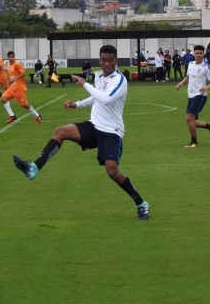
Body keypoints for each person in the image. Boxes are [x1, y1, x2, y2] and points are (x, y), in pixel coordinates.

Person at [13, 45, 150, 221]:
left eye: (110, 60)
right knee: (60, 131)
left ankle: (141, 204)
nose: (106, 63)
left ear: (116, 61)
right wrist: (77, 104)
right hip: (94, 126)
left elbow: (106, 99)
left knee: (112, 171)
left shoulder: (120, 80)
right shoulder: (100, 76)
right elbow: (96, 97)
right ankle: (34, 168)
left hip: (111, 132)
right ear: (99, 60)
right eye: (103, 60)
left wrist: (85, 84)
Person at [175, 44, 210, 148]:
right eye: (197, 53)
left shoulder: (206, 67)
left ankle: (194, 142)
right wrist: (181, 83)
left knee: (189, 118)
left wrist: (206, 88)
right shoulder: (190, 64)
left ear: (203, 54)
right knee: (191, 120)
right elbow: (188, 77)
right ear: (193, 54)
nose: (198, 55)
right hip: (191, 95)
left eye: (200, 53)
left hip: (200, 95)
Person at [2, 51, 42, 124]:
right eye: (9, 57)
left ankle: (37, 116)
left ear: (14, 57)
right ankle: (12, 116)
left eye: (12, 57)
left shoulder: (17, 64)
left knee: (24, 105)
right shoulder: (9, 65)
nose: (11, 58)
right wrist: (9, 82)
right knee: (3, 99)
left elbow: (23, 73)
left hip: (19, 88)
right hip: (12, 88)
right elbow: (12, 77)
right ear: (7, 58)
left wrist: (14, 79)